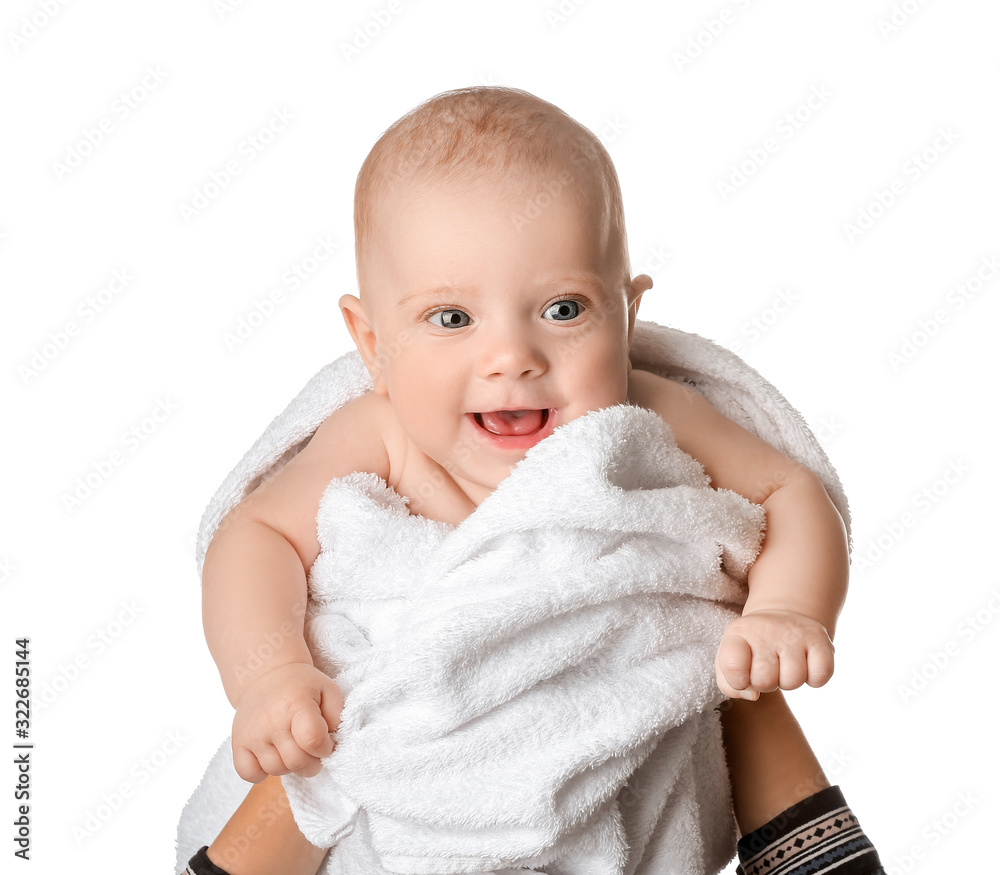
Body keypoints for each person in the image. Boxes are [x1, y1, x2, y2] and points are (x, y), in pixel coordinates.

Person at [184, 86, 884, 875]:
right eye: (452, 318)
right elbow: (256, 535)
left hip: (620, 770)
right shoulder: (376, 434)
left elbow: (790, 492)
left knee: (723, 669)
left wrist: (789, 609)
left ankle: (800, 844)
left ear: (626, 311)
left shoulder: (656, 416)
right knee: (322, 761)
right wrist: (273, 673)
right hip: (397, 776)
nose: (513, 355)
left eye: (561, 308)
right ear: (372, 343)